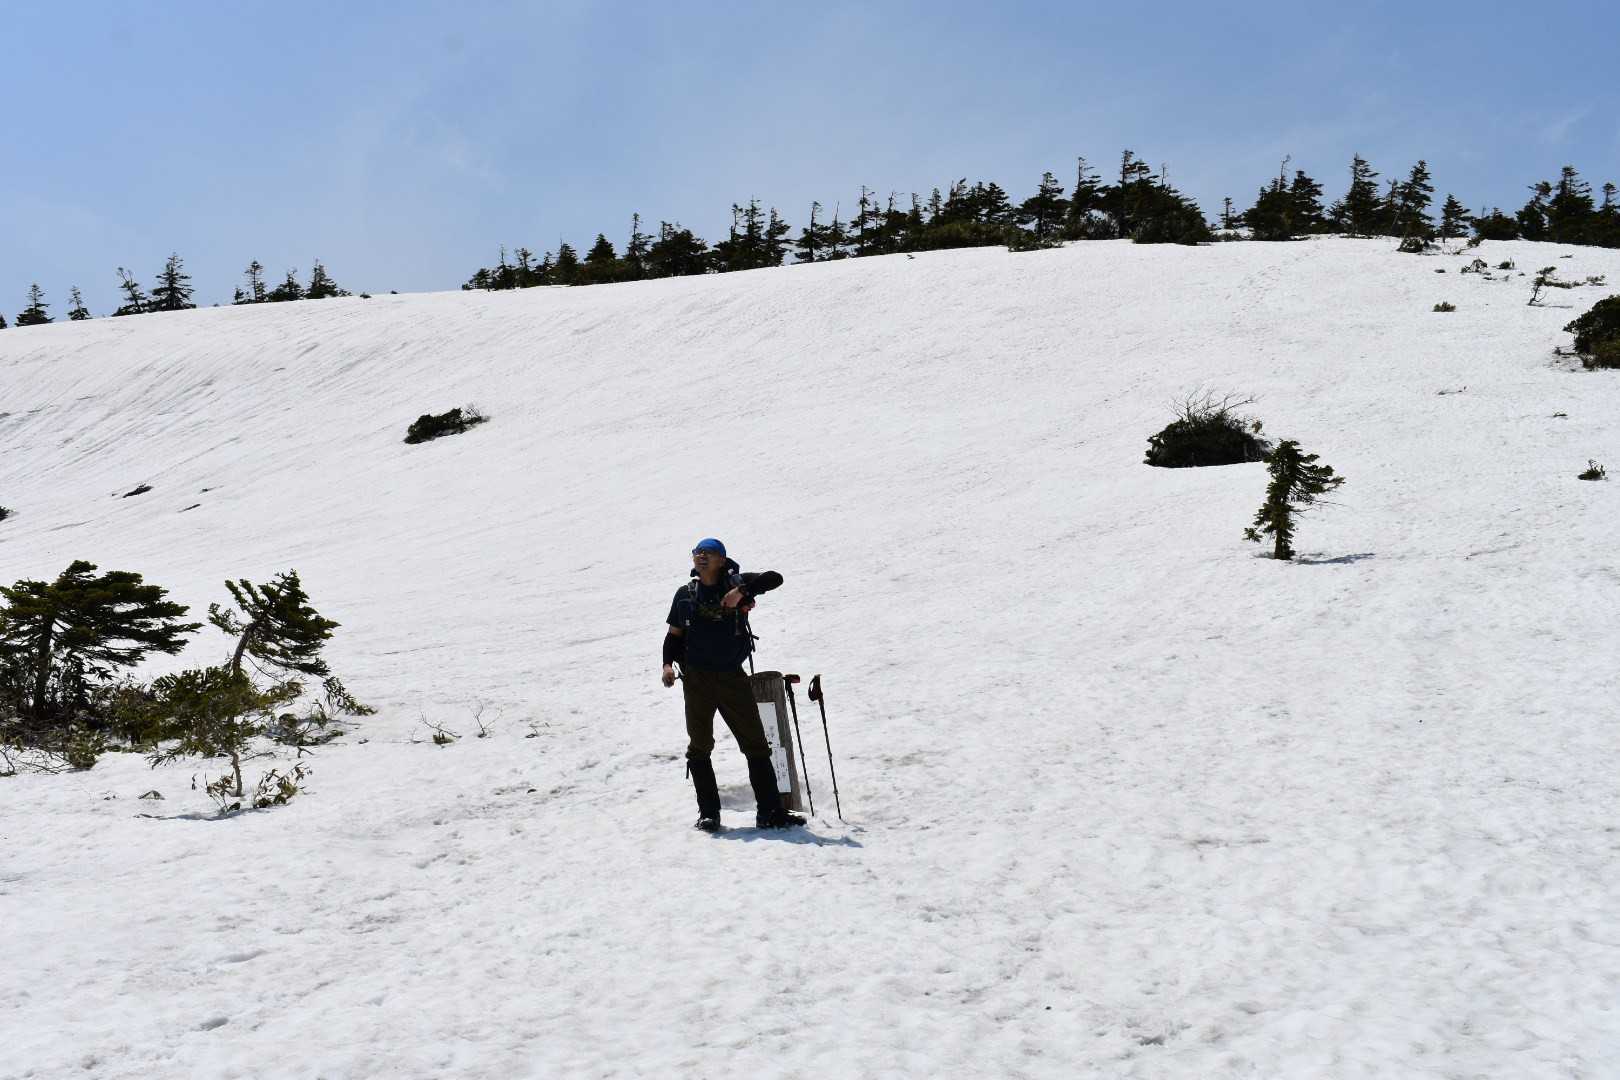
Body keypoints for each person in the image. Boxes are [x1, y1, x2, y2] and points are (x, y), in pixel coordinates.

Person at [662, 537, 804, 832]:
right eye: (698, 552)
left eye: (709, 552)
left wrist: (741, 591)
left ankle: (770, 812)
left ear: (722, 560)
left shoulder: (737, 583)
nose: (701, 556)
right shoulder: (685, 594)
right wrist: (667, 666)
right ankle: (709, 814)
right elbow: (674, 636)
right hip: (697, 679)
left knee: (755, 743)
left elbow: (774, 578)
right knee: (699, 746)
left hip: (732, 677)